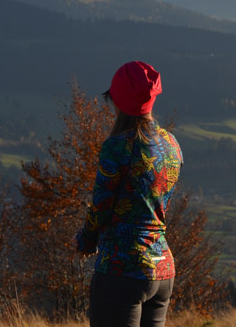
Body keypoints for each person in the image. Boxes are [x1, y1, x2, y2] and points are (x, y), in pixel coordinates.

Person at [75, 60, 183, 327]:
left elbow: (101, 206)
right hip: (162, 270)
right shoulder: (171, 144)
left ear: (119, 100)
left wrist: (86, 240)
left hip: (121, 270)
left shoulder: (116, 147)